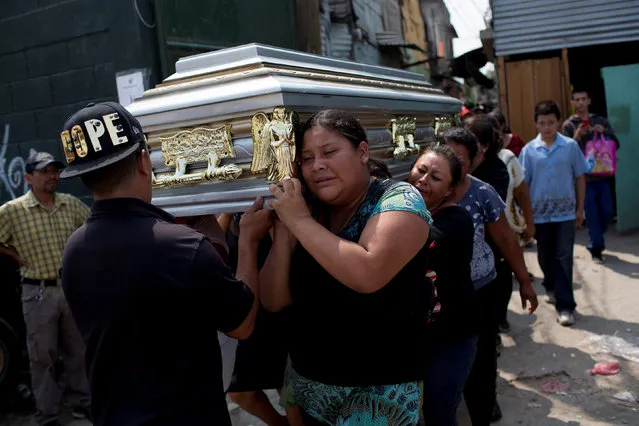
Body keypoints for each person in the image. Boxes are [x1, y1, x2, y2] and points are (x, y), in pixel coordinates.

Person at [58, 102, 272, 426]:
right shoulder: (181, 246)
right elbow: (241, 324)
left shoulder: (74, 249)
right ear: (144, 161)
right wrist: (250, 242)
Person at [261, 109, 432, 425]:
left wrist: (298, 221)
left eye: (329, 152)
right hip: (310, 389)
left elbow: (367, 273)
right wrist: (285, 233)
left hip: (377, 394)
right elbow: (274, 300)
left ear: (362, 152)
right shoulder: (308, 210)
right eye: (307, 159)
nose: (317, 166)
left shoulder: (398, 199)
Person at [443, 128, 538, 426]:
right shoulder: (423, 189)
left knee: (482, 355)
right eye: (446, 155)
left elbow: (508, 241)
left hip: (480, 289)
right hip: (441, 295)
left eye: (459, 158)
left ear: (472, 162)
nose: (451, 163)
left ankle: (483, 405)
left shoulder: (482, 192)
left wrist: (524, 281)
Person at [0, 151, 91, 426]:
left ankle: (82, 403)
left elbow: (92, 228)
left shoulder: (71, 204)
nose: (53, 176)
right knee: (43, 356)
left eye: (55, 171)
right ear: (29, 177)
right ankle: (47, 414)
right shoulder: (13, 210)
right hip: (37, 292)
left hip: (71, 289)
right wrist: (12, 254)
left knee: (78, 350)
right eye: (46, 171)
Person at [408, 144, 477, 426]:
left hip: (453, 338)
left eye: (435, 178)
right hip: (414, 335)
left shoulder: (456, 220)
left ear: (449, 190)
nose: (423, 180)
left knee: (439, 412)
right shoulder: (404, 209)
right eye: (420, 170)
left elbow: (426, 244)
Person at [520, 100, 588, 327]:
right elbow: (524, 184)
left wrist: (580, 208)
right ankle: (550, 285)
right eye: (542, 123)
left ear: (559, 121)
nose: (547, 127)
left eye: (551, 122)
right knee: (545, 257)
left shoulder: (570, 146)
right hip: (539, 215)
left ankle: (566, 305)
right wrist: (525, 215)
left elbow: (580, 176)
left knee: (563, 257)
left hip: (565, 214)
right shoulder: (529, 151)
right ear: (536, 124)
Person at [465, 115, 535, 335]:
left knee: (499, 278)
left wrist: (529, 224)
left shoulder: (498, 169)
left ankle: (497, 320)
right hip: (471, 247)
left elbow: (520, 193)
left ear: (484, 146)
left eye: (471, 139)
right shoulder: (458, 164)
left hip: (496, 235)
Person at [222, 213, 290, 426]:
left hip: (276, 308)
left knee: (288, 389)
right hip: (243, 304)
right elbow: (212, 240)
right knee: (239, 391)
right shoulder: (222, 208)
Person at [562, 88, 619, 263]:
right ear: (572, 103)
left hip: (602, 175)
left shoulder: (600, 120)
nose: (580, 103)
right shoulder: (569, 125)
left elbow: (616, 144)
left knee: (608, 211)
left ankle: (596, 239)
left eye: (583, 99)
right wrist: (577, 136)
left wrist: (604, 132)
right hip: (583, 178)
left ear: (589, 101)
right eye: (576, 100)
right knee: (592, 214)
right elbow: (566, 152)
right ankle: (596, 248)